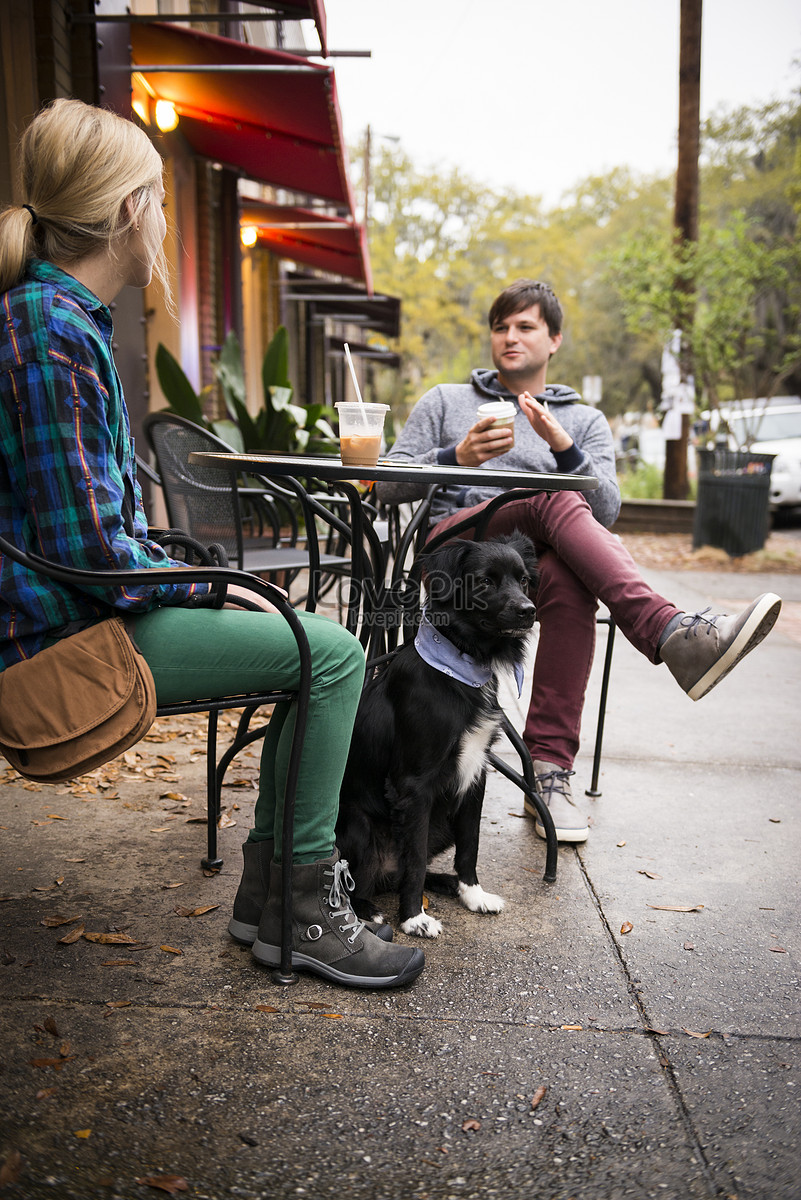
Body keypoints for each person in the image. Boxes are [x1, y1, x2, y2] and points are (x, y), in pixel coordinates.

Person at [0, 98, 423, 990]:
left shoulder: (56, 316)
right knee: (336, 656)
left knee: (312, 650)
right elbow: (92, 553)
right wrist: (202, 585)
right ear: (125, 213)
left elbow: (91, 531)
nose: (162, 218)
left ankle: (273, 905)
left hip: (73, 610)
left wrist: (196, 572)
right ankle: (298, 911)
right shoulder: (51, 328)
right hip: (58, 641)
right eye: (157, 198)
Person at [376, 278, 782, 842]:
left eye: (525, 327)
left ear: (555, 339)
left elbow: (608, 510)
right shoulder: (446, 401)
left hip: (524, 570)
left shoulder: (584, 419)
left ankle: (548, 774)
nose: (509, 337)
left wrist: (565, 448)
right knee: (554, 496)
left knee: (567, 580)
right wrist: (456, 456)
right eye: (501, 327)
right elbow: (384, 487)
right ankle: (670, 632)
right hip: (457, 557)